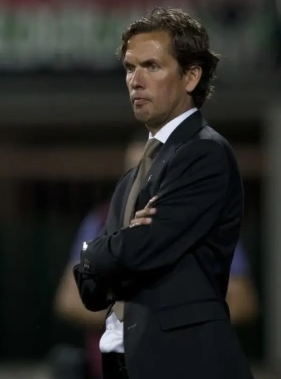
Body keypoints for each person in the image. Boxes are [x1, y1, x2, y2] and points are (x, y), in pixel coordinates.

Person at [72, 7, 254, 379]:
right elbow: (90, 292)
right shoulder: (131, 179)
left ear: (191, 76)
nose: (135, 81)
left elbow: (146, 247)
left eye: (152, 66)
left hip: (187, 363)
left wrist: (93, 252)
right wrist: (119, 247)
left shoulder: (204, 153)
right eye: (129, 68)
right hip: (124, 364)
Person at [54, 136, 259, 379]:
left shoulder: (207, 221)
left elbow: (243, 302)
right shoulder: (100, 221)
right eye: (135, 172)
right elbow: (69, 301)